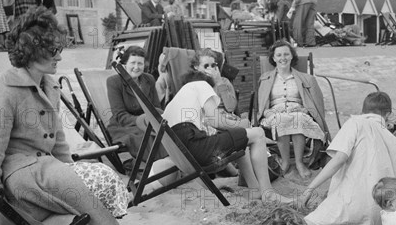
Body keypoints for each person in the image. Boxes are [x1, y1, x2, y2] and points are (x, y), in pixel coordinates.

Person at [0, 6, 127, 225]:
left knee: (103, 176)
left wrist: (70, 170)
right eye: (54, 51)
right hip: (21, 176)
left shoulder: (49, 85)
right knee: (100, 180)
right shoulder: (3, 88)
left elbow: (58, 141)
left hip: (47, 169)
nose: (60, 57)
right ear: (32, 51)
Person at [298, 92, 396, 225]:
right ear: (388, 114)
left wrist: (310, 189)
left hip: (349, 202)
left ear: (363, 111)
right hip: (378, 210)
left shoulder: (356, 123)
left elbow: (339, 159)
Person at [162, 68, 289, 203]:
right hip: (195, 147)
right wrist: (241, 124)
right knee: (258, 133)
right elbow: (215, 120)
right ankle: (268, 193)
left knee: (240, 137)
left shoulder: (177, 101)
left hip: (185, 154)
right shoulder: (201, 85)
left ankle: (255, 188)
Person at [257, 39, 327, 179]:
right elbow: (262, 105)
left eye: (286, 54)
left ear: (292, 56)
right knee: (281, 119)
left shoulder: (306, 78)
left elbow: (315, 102)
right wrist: (267, 111)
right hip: (275, 114)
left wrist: (306, 110)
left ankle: (300, 163)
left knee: (298, 118)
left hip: (298, 112)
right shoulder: (265, 79)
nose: (283, 58)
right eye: (279, 55)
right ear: (273, 58)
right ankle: (286, 162)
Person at [106, 46, 167, 162]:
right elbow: (119, 115)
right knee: (147, 137)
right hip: (125, 126)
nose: (136, 67)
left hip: (149, 123)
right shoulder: (114, 82)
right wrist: (141, 120)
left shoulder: (149, 79)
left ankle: (168, 164)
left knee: (169, 132)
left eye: (140, 63)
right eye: (132, 63)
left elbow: (156, 107)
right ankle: (151, 168)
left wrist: (155, 118)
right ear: (124, 64)